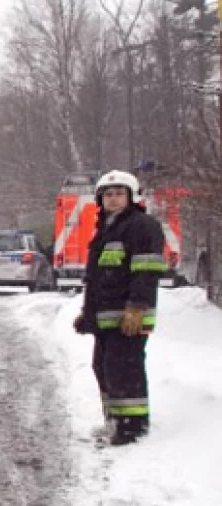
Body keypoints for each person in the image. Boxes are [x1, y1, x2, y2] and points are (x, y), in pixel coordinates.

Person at [72, 170, 165, 446]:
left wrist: (137, 307)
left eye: (119, 194)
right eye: (108, 195)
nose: (113, 199)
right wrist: (87, 314)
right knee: (102, 366)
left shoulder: (141, 225)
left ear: (131, 196)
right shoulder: (105, 230)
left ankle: (131, 428)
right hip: (107, 317)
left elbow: (146, 270)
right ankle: (114, 420)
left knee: (124, 369)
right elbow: (98, 278)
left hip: (129, 316)